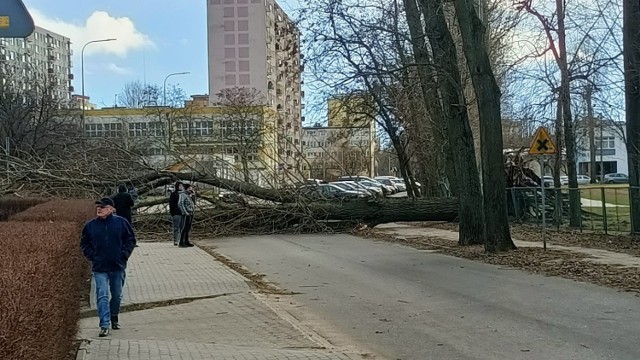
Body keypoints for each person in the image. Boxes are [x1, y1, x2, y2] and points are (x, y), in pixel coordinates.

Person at [80, 197, 137, 338]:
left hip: (117, 266)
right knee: (102, 295)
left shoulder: (121, 223)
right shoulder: (90, 225)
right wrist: (92, 255)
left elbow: (131, 240)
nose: (99, 208)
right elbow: (84, 243)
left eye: (103, 207)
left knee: (116, 295)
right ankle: (104, 325)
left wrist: (123, 255)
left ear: (112, 209)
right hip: (99, 267)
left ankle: (114, 316)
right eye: (98, 206)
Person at [178, 183, 195, 248]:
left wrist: (193, 195)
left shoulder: (189, 195)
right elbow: (181, 204)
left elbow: (194, 203)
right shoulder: (183, 195)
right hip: (186, 213)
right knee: (184, 228)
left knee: (188, 228)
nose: (191, 189)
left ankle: (186, 241)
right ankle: (181, 242)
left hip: (191, 212)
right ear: (186, 188)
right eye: (190, 188)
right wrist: (185, 212)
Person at [169, 181, 184, 246]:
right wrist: (173, 212)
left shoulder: (183, 194)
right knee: (176, 227)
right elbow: (171, 204)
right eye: (180, 186)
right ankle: (176, 240)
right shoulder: (174, 194)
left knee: (182, 227)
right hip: (176, 213)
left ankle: (182, 239)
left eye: (182, 186)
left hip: (183, 213)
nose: (181, 187)